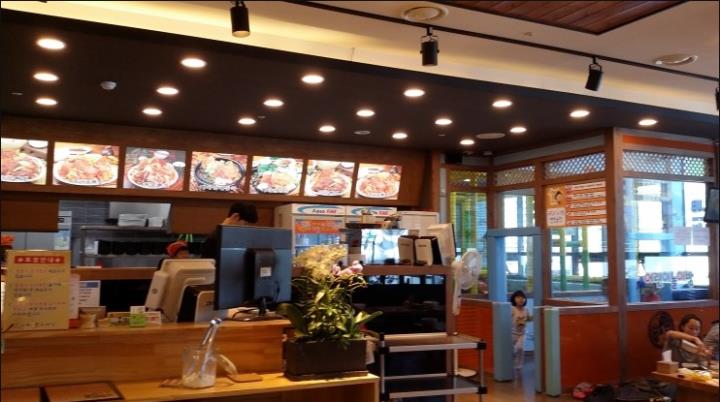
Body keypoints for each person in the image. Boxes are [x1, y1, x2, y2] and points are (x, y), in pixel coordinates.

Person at [510, 290, 532, 375]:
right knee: (514, 349)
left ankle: (519, 365)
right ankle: (513, 363)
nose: (521, 299)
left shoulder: (526, 309)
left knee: (520, 348)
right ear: (514, 299)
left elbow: (529, 318)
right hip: (512, 333)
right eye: (518, 297)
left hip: (522, 334)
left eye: (523, 297)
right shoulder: (512, 309)